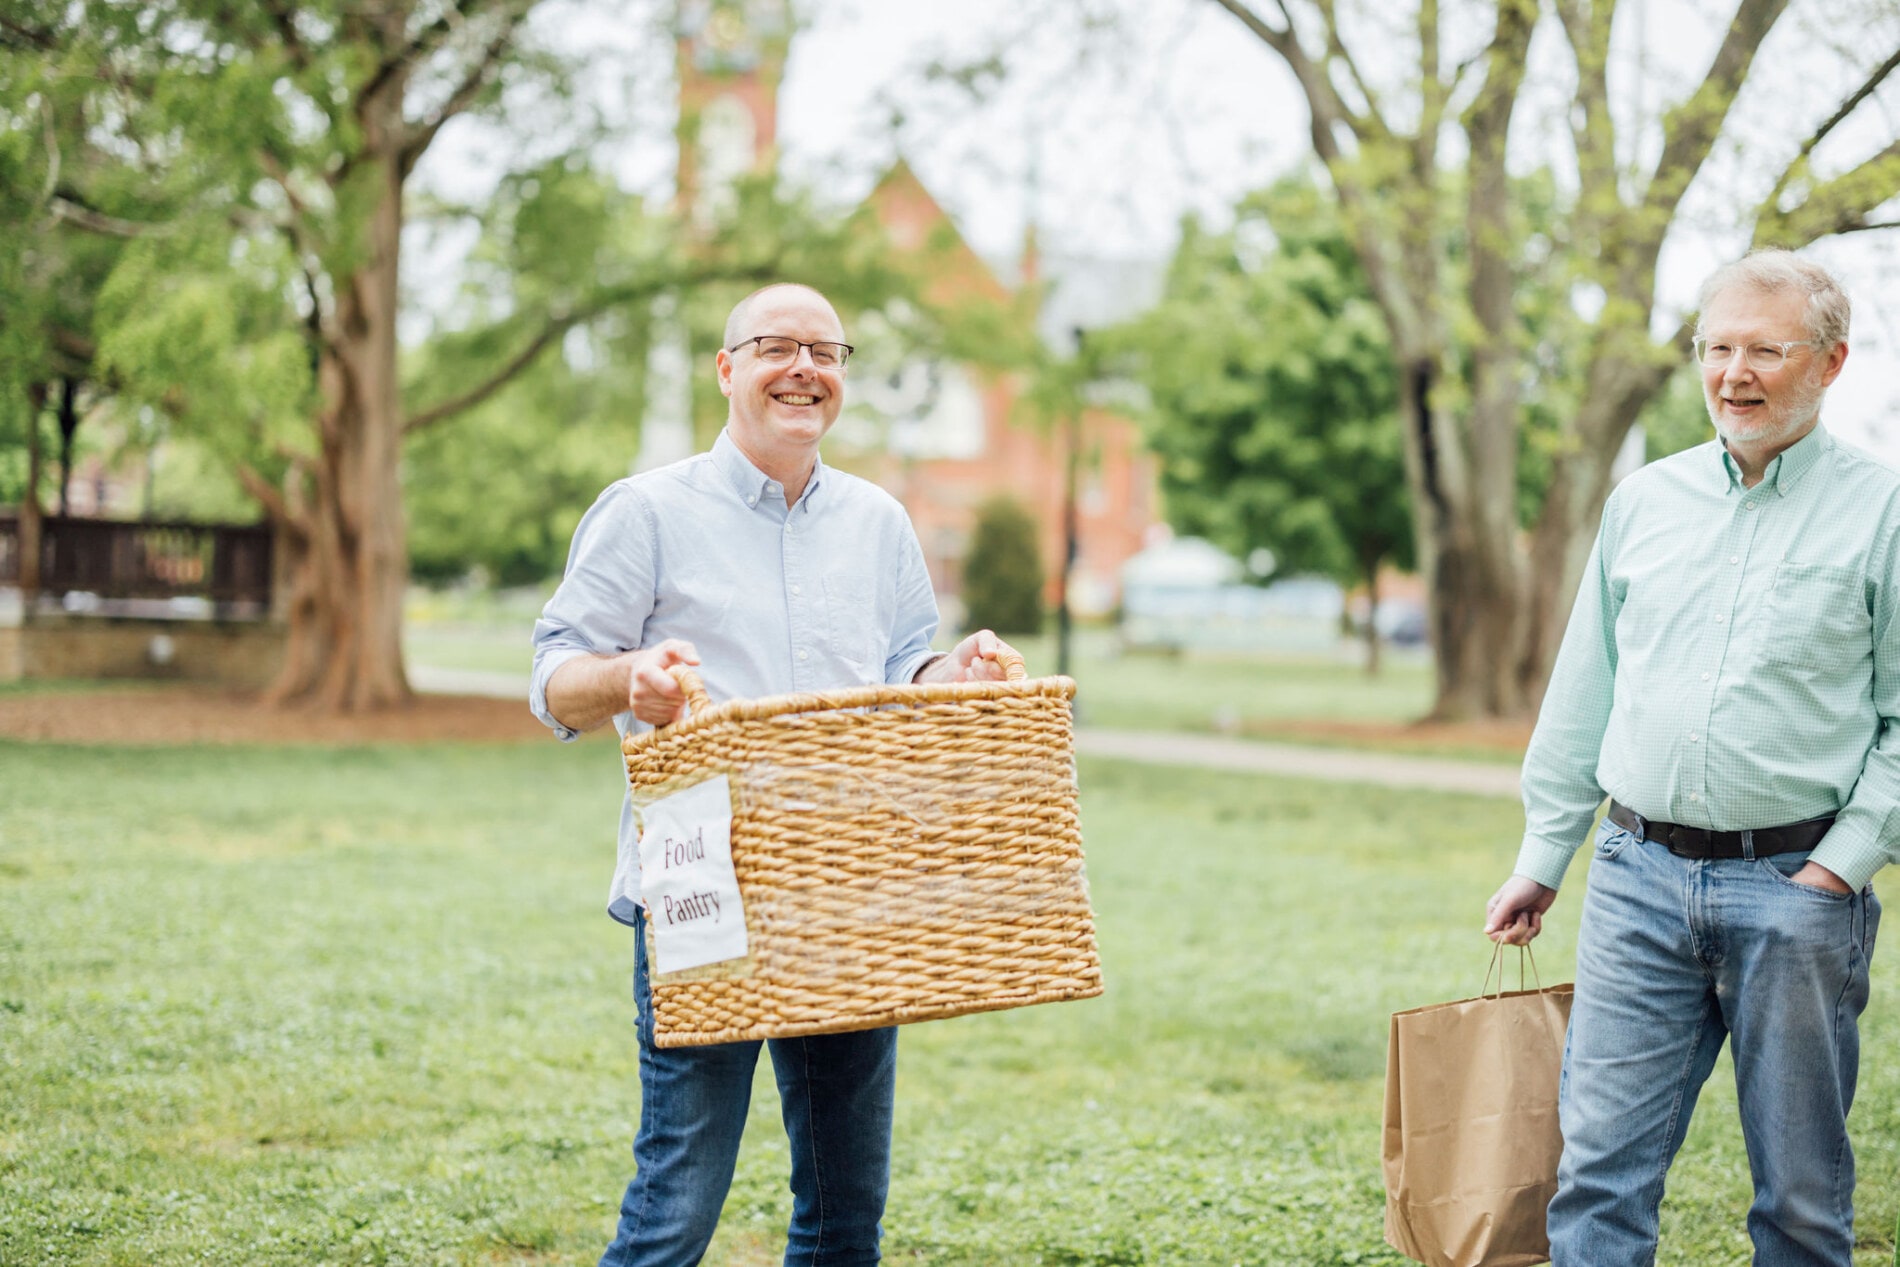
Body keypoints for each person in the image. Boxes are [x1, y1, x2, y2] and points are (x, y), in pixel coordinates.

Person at [530, 281, 1016, 1266]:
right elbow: (553, 677)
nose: (804, 369)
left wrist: (947, 674)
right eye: (777, 347)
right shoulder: (648, 512)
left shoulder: (880, 522)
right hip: (704, 894)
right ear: (726, 368)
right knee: (679, 1199)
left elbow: (896, 676)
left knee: (846, 1211)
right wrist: (632, 676)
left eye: (826, 353)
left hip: (849, 889)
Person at [1483, 249, 1893, 1265]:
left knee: (1799, 1202)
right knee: (1596, 1178)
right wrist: (1544, 853)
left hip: (1796, 893)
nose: (1732, 374)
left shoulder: (1884, 512)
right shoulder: (1642, 503)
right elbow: (1586, 690)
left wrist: (1834, 868)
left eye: (1764, 349)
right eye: (1716, 348)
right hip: (1637, 880)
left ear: (1831, 362)